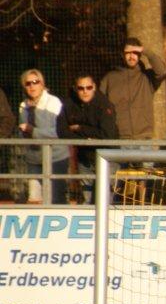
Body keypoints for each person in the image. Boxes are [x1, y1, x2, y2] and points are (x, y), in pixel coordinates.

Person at [57, 75, 117, 204]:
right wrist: (86, 138)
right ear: (75, 89)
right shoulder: (69, 104)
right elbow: (62, 131)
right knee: (87, 200)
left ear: (94, 87)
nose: (85, 91)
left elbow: (107, 135)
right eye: (81, 88)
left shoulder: (104, 104)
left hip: (107, 158)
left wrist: (79, 128)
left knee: (105, 200)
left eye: (88, 87)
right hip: (85, 159)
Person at [100, 37, 166, 140]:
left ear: (140, 55)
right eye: (128, 53)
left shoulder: (147, 77)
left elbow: (162, 71)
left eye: (135, 53)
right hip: (118, 139)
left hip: (143, 139)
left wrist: (146, 51)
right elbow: (99, 104)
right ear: (122, 55)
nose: (131, 56)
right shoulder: (109, 78)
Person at [18, 69, 70, 204]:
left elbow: (59, 132)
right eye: (28, 83)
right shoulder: (23, 106)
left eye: (35, 82)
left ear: (42, 84)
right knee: (34, 198)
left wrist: (33, 131)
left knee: (56, 198)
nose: (32, 86)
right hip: (33, 159)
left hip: (55, 158)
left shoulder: (54, 102)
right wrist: (23, 132)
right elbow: (23, 134)